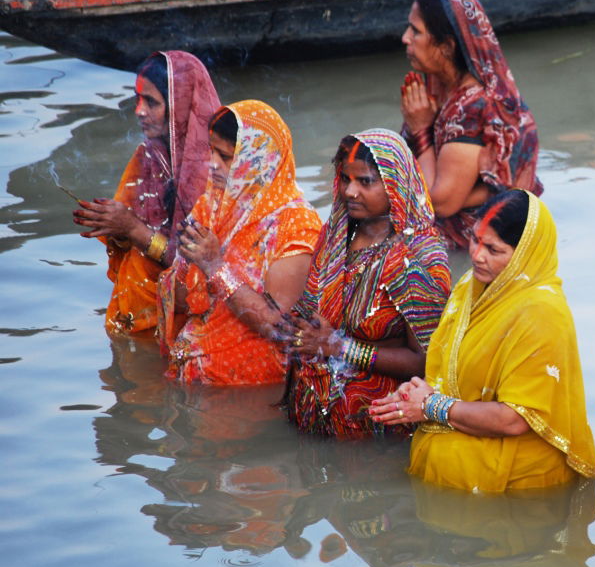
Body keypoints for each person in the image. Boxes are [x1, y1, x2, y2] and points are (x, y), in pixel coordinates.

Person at [368, 189, 595, 492]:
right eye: (475, 240)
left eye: (493, 248)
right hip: (457, 472)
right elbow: (449, 372)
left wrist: (431, 405)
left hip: (517, 493)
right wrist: (414, 395)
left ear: (527, 253)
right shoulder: (473, 286)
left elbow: (515, 419)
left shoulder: (542, 313)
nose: (477, 255)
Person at [281, 129, 452, 439]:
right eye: (345, 179)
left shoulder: (418, 258)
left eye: (366, 181)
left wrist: (338, 347)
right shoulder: (336, 236)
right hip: (313, 414)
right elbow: (309, 317)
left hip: (375, 429)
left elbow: (426, 362)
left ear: (396, 184)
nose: (350, 191)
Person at [157, 100, 322, 384]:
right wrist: (187, 265)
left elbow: (280, 328)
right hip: (196, 372)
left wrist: (215, 266)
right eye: (211, 151)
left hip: (250, 388)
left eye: (225, 156)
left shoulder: (297, 226)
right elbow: (187, 300)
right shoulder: (214, 205)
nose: (212, 165)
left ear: (259, 158)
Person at [73, 51, 220, 335]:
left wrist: (133, 228)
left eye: (151, 102)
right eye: (138, 99)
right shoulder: (146, 157)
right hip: (136, 313)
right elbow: (123, 243)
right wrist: (113, 226)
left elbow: (200, 270)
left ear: (180, 105)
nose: (139, 111)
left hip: (189, 326)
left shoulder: (214, 171)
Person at [400, 0, 542, 249]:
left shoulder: (474, 106)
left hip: (478, 251)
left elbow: (440, 203)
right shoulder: (438, 88)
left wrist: (420, 130)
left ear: (446, 46)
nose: (405, 38)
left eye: (416, 31)